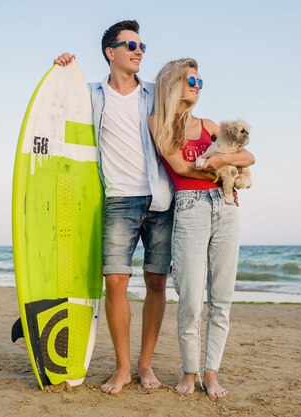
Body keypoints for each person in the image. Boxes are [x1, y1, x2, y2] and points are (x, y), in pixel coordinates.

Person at [54, 20, 174, 395]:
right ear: (110, 52)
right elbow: (57, 107)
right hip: (117, 199)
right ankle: (123, 368)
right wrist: (62, 68)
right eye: (131, 45)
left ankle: (145, 363)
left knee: (156, 281)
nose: (139, 51)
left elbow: (188, 121)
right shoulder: (91, 95)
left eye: (142, 46)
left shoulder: (156, 94)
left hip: (160, 199)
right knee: (116, 281)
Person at [148, 58, 255, 399]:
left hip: (226, 207)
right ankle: (189, 372)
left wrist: (221, 161)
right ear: (172, 83)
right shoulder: (158, 123)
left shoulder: (210, 125)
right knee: (191, 301)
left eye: (199, 82)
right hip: (190, 208)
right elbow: (181, 167)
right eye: (190, 81)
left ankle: (211, 374)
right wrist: (223, 169)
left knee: (221, 299)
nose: (196, 86)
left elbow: (248, 156)